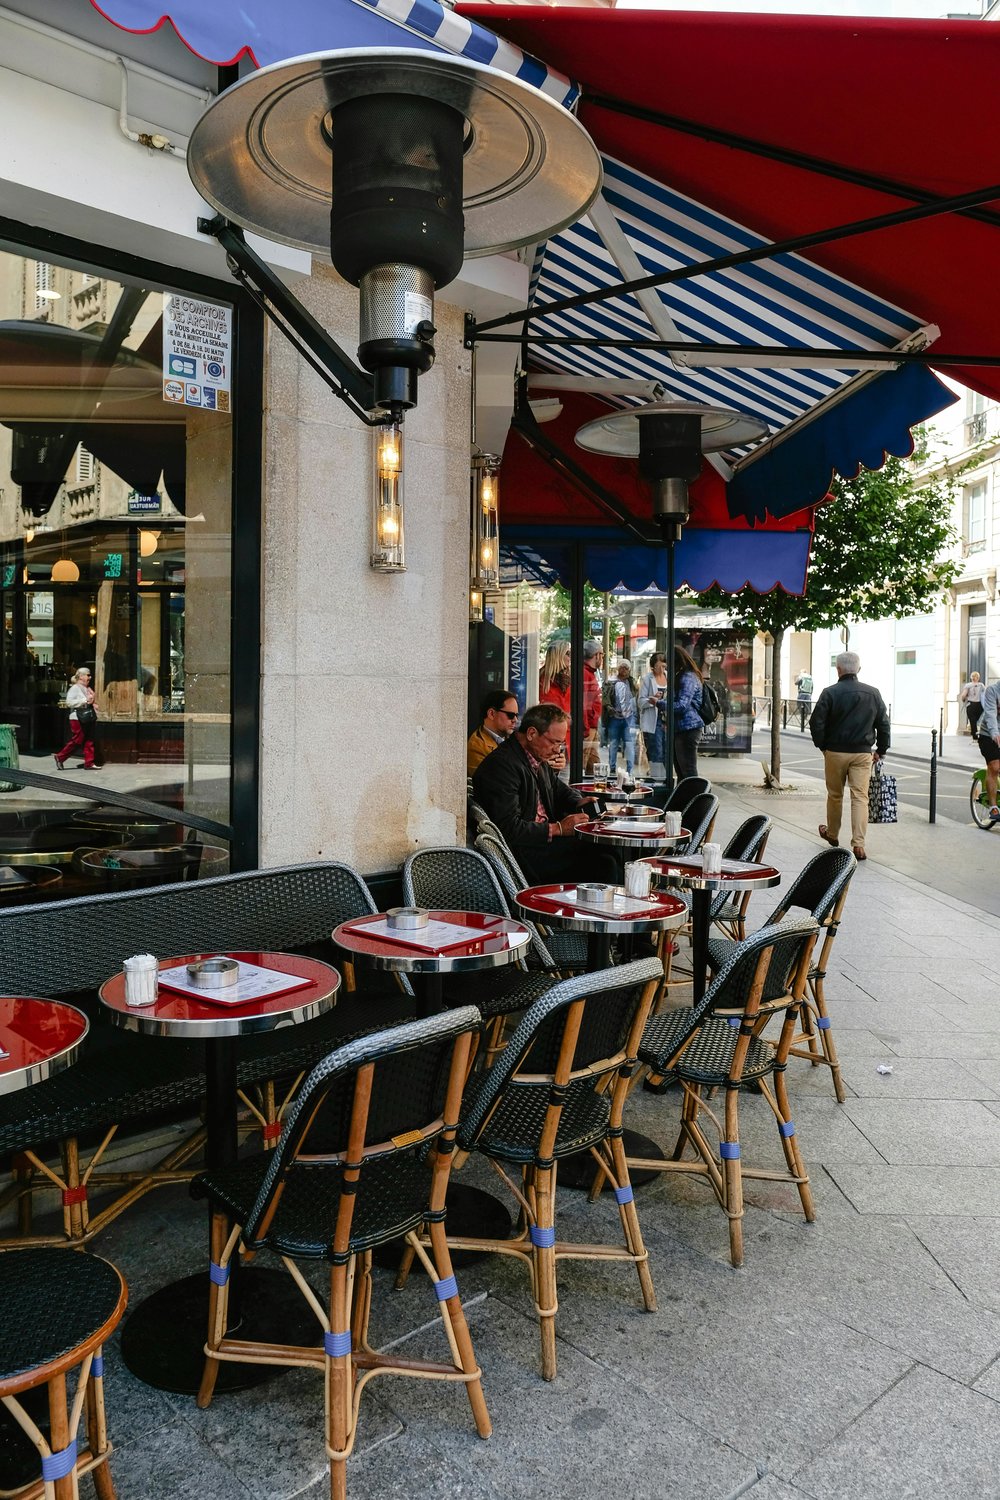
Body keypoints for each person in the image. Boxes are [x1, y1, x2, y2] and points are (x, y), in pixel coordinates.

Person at [471, 703, 616, 884]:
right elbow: (508, 828)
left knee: (609, 847)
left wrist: (579, 802)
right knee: (605, 861)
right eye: (554, 742)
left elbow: (558, 789)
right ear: (532, 734)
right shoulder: (503, 766)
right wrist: (559, 828)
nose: (558, 749)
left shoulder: (536, 757)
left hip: (541, 844)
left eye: (561, 743)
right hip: (525, 856)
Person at [810, 651, 890, 861]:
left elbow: (816, 722)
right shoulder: (873, 693)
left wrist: (823, 746)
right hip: (862, 753)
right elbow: (883, 724)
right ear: (859, 669)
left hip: (835, 751)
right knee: (860, 798)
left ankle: (833, 834)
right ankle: (859, 845)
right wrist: (881, 750)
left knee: (835, 795)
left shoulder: (829, 693)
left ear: (838, 669)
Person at [54, 666, 98, 770]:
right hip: (77, 718)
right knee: (78, 740)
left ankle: (89, 763)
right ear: (81, 676)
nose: (90, 677)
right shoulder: (75, 688)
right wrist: (84, 701)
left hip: (87, 717)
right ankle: (60, 757)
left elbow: (90, 701)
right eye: (88, 675)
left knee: (89, 739)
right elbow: (69, 702)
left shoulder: (87, 689)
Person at [466, 690, 519, 775]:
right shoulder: (476, 747)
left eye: (516, 715)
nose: (515, 720)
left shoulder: (514, 739)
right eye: (510, 715)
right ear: (491, 714)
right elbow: (494, 782)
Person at [673, 645, 704, 780]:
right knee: (682, 771)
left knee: (688, 771)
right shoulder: (685, 675)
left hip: (688, 728)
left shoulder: (687, 677)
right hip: (683, 728)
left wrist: (660, 703)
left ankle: (695, 798)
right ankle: (686, 798)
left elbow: (682, 705)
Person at [604, 660, 638, 774]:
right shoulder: (611, 682)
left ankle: (630, 770)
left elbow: (636, 698)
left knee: (629, 744)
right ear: (618, 668)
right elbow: (605, 697)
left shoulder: (631, 683)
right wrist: (609, 707)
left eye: (626, 668)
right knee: (613, 743)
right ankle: (612, 768)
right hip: (615, 717)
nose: (624, 670)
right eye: (622, 667)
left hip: (629, 717)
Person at [638, 652, 669, 780]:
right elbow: (640, 702)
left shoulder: (669, 677)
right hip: (654, 720)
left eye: (664, 666)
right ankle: (657, 778)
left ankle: (666, 778)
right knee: (656, 750)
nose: (662, 669)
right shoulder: (647, 679)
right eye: (659, 666)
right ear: (653, 667)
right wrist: (652, 701)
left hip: (667, 720)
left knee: (667, 750)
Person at [976, 678, 1000, 821]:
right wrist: (995, 733)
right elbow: (990, 713)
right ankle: (993, 807)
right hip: (988, 735)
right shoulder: (992, 691)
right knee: (995, 766)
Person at [582, 640, 604, 774]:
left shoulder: (590, 673)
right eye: (602, 654)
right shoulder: (585, 674)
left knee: (594, 767)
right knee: (582, 764)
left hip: (591, 727)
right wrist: (585, 729)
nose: (602, 658)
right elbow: (583, 704)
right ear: (596, 655)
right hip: (588, 728)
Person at [539, 642, 572, 715]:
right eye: (568, 653)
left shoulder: (567, 679)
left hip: (565, 723)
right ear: (558, 656)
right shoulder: (542, 680)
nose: (571, 657)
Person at [959, 671, 985, 738]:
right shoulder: (981, 685)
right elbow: (985, 694)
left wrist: (964, 700)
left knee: (972, 720)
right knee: (975, 720)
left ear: (971, 678)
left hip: (971, 704)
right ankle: (975, 733)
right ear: (978, 678)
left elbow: (963, 695)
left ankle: (974, 735)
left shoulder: (968, 685)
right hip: (979, 705)